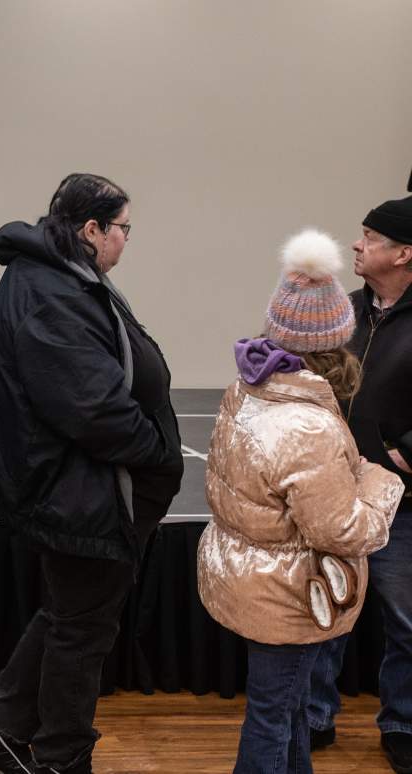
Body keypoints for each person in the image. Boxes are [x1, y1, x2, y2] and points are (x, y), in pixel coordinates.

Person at [0, 173, 185, 774]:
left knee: (71, 616)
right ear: (92, 229)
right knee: (81, 634)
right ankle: (61, 758)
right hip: (80, 490)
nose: (126, 241)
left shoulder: (58, 276)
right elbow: (94, 409)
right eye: (123, 229)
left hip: (79, 485)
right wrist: (159, 453)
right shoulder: (52, 292)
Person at [197, 228, 405, 774]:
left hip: (249, 577)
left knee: (285, 713)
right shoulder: (307, 421)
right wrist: (381, 482)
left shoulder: (251, 387)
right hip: (288, 595)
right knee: (273, 716)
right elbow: (345, 532)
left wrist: (346, 468)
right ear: (336, 339)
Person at [306, 193, 412, 774]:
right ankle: (316, 717)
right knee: (327, 612)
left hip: (403, 506)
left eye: (369, 238)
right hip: (335, 498)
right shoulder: (342, 313)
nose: (356, 244)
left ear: (403, 254)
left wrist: (405, 453)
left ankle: (403, 724)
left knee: (407, 622)